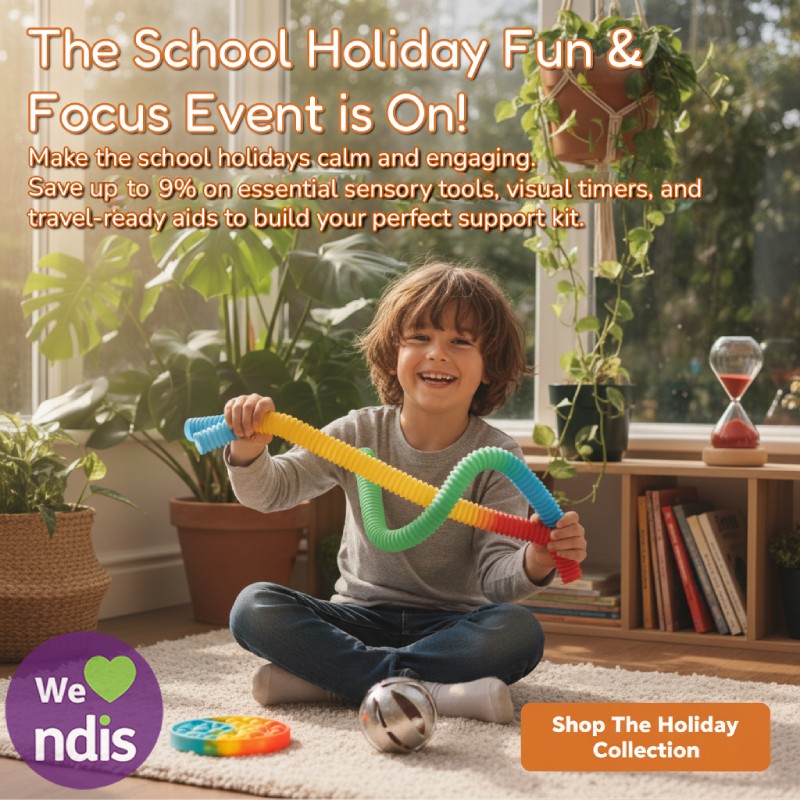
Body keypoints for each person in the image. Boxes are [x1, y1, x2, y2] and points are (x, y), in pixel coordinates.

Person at [224, 262, 586, 724]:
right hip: (357, 619)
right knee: (253, 607)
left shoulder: (496, 454)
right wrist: (249, 452)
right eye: (420, 337)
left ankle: (335, 682)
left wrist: (536, 560)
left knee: (517, 633)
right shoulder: (357, 432)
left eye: (461, 341)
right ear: (392, 353)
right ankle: (433, 689)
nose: (437, 353)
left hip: (450, 625)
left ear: (489, 366)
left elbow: (498, 580)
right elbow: (271, 492)